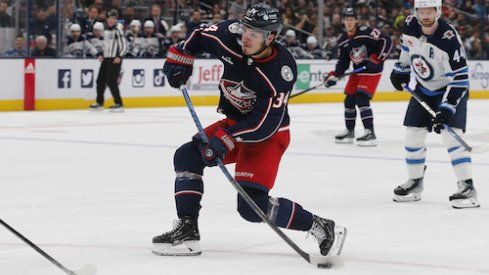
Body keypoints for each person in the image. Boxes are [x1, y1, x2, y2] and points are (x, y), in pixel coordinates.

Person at [152, 4, 347, 257]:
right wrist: (181, 58)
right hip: (234, 124)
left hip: (268, 135)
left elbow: (264, 123)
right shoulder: (227, 35)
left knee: (251, 207)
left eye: (255, 34)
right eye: (246, 29)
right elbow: (198, 35)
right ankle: (188, 230)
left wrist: (226, 139)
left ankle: (320, 225)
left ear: (270, 37)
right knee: (187, 156)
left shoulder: (281, 69)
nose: (246, 37)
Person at [390, 0, 479, 209]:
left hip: (450, 89)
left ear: (438, 11)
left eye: (430, 10)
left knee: (451, 135)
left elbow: (459, 79)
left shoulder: (449, 39)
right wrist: (400, 69)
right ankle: (415, 182)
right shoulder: (410, 25)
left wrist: (447, 108)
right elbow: (406, 49)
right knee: (412, 133)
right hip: (423, 88)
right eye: (422, 10)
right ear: (416, 11)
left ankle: (467, 186)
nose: (425, 14)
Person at [325, 7, 392, 146]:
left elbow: (386, 40)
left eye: (351, 19)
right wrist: (334, 75)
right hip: (358, 71)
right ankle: (350, 131)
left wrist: (378, 58)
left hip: (372, 70)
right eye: (346, 19)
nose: (349, 22)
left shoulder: (366, 32)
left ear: (356, 20)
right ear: (343, 21)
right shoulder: (343, 40)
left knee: (361, 97)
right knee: (349, 100)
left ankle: (370, 132)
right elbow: (343, 62)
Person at [89, 9, 127, 112]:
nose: (111, 20)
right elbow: (105, 45)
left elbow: (124, 45)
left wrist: (119, 56)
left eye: (113, 18)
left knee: (111, 81)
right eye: (109, 18)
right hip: (106, 58)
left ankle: (119, 103)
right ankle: (99, 103)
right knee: (100, 81)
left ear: (116, 20)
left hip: (115, 59)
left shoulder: (118, 31)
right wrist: (101, 54)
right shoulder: (105, 31)